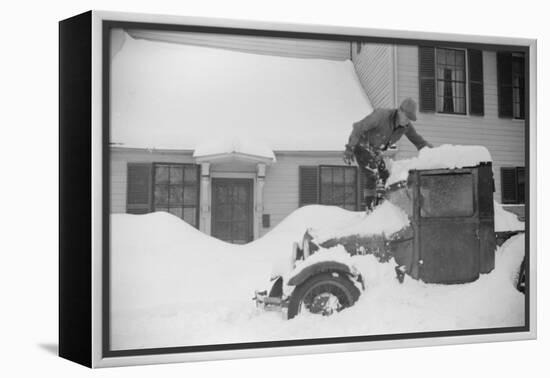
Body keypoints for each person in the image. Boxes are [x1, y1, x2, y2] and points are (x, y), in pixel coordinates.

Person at [343, 97, 432, 211]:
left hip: (374, 150)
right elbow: (358, 127)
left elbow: (419, 142)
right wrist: (350, 147)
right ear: (400, 111)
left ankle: (383, 206)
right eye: (406, 117)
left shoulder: (406, 127)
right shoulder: (381, 116)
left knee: (386, 176)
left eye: (410, 119)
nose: (407, 121)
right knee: (373, 173)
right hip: (361, 144)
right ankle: (371, 208)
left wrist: (436, 153)